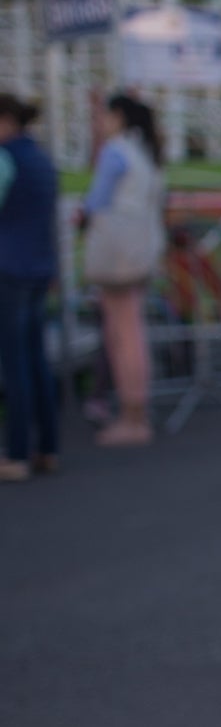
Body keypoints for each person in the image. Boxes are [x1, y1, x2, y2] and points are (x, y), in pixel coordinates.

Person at [79, 92, 167, 447]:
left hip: (116, 255)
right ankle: (135, 412)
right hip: (140, 251)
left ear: (117, 116)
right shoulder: (145, 152)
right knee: (131, 332)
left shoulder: (116, 152)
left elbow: (96, 200)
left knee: (123, 336)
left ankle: (133, 416)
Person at [0, 93, 60, 482]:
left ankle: (17, 453)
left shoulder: (7, 158)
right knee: (36, 359)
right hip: (39, 266)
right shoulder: (40, 157)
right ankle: (46, 448)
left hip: (9, 267)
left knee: (15, 363)